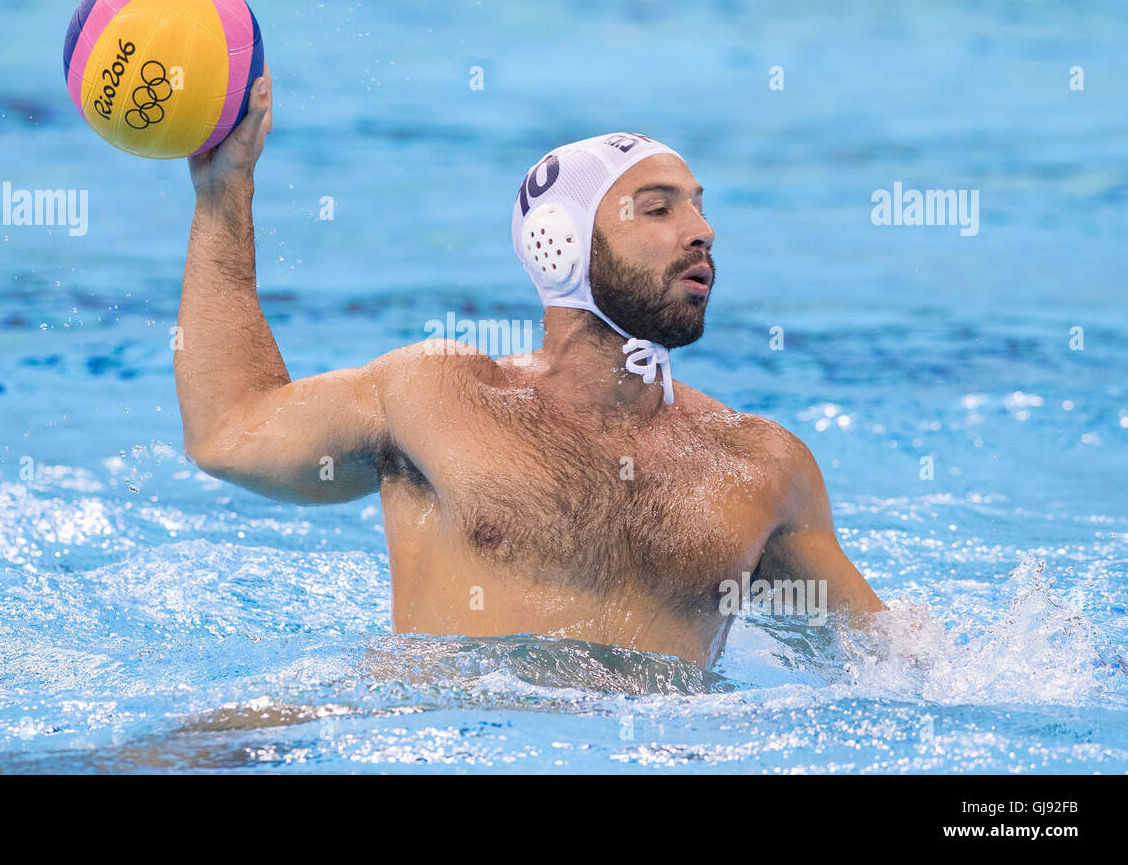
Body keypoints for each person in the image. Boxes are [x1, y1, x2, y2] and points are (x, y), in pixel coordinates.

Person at [175, 70, 886, 668]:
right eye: (658, 209)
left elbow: (888, 670)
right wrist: (223, 196)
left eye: (698, 206)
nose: (701, 229)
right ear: (558, 245)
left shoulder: (761, 468)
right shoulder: (438, 396)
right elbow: (228, 431)